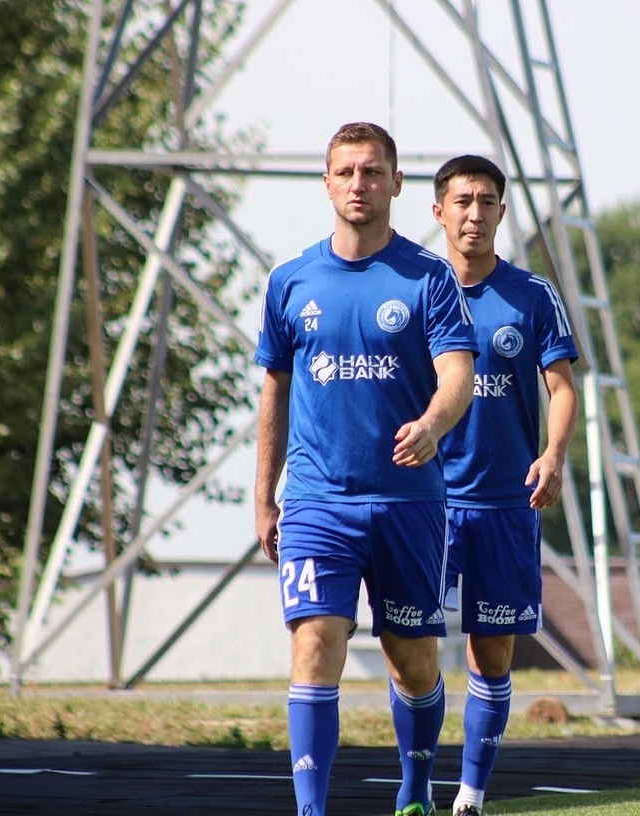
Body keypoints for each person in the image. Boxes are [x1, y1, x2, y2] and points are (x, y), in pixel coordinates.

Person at [254, 122, 479, 816]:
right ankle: (310, 809)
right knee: (315, 641)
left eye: (373, 172)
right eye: (347, 172)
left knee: (411, 657)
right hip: (317, 500)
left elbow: (458, 375)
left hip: (408, 502)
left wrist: (432, 424)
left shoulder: (429, 278)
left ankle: (415, 786)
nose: (360, 184)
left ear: (396, 184)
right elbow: (274, 391)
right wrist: (263, 498)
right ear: (327, 183)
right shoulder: (291, 281)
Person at [431, 154, 579, 816]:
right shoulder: (414, 289)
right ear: (439, 211)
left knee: (491, 653)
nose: (474, 214)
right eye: (462, 201)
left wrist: (554, 454)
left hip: (503, 502)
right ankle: (414, 786)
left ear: (501, 212)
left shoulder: (533, 295)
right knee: (411, 647)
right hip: (426, 502)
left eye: (486, 202)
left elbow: (562, 387)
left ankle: (470, 794)